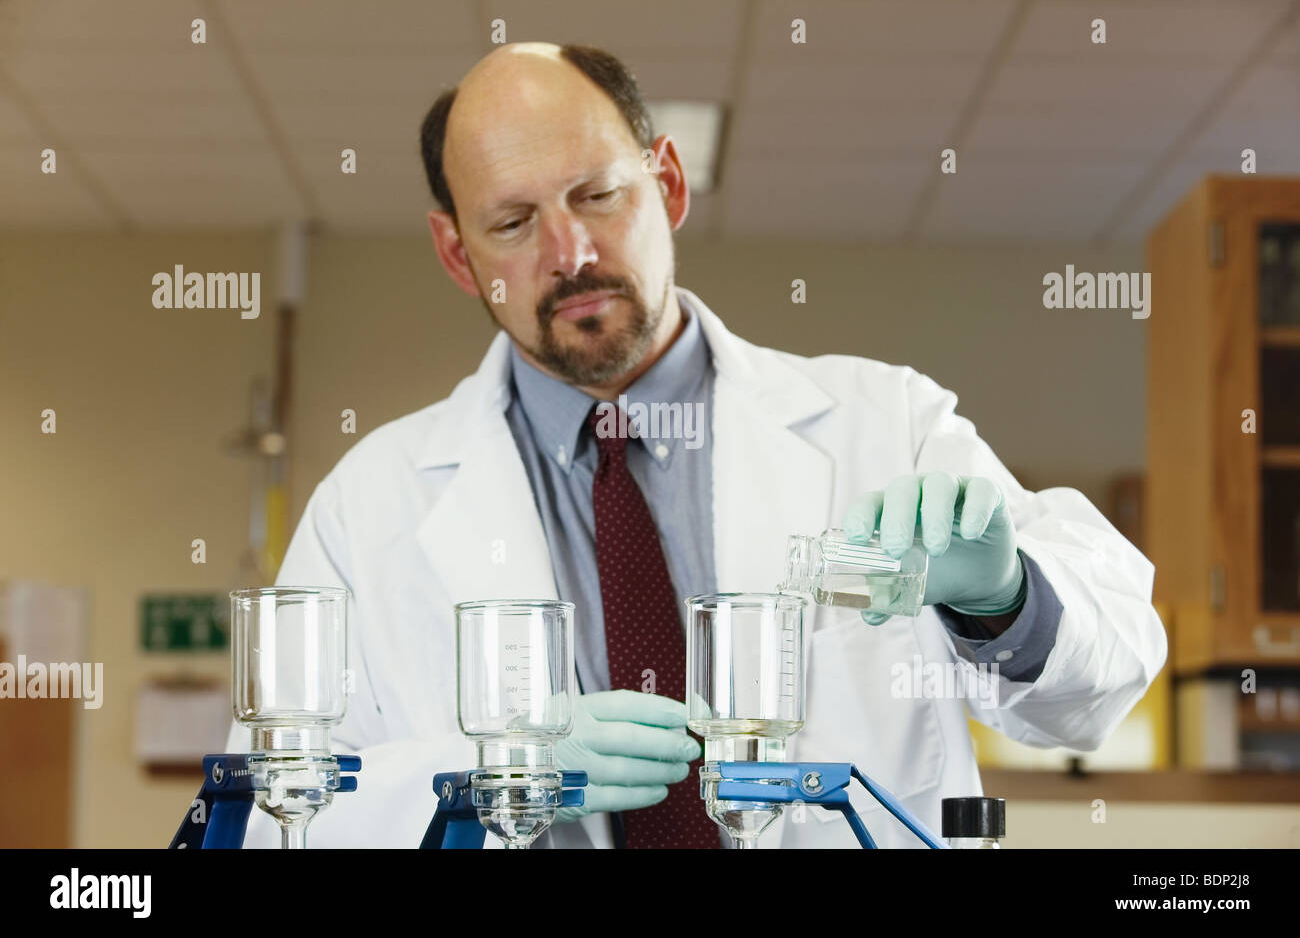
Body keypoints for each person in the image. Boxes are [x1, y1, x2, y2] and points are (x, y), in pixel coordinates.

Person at [228, 42, 1166, 849]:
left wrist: (1007, 600)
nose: (571, 253)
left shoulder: (886, 422)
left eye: (598, 195)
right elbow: (271, 815)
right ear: (455, 251)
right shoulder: (372, 505)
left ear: (666, 182)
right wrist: (494, 773)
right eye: (513, 223)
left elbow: (1103, 676)